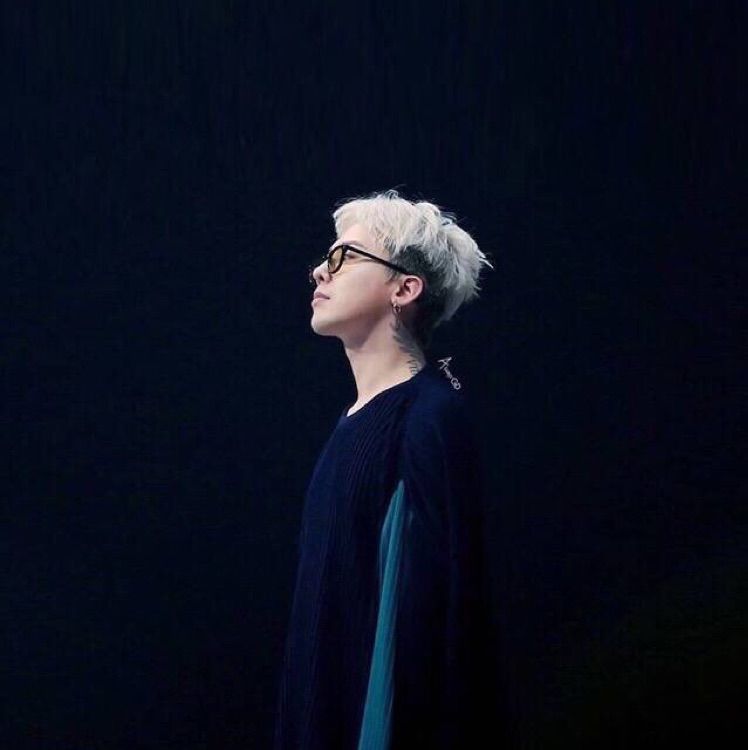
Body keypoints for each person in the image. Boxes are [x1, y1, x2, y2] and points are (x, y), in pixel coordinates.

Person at [273, 189, 499, 749]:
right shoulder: (349, 427)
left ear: (404, 288)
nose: (320, 272)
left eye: (345, 256)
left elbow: (431, 630)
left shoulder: (427, 421)